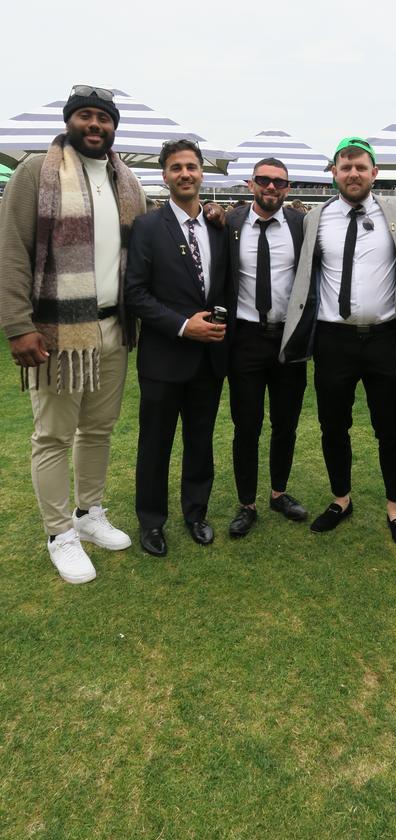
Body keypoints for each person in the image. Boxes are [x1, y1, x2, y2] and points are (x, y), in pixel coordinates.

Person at [0, 86, 146, 584]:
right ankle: (59, 532)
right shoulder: (35, 172)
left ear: (113, 128)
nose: (95, 125)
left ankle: (89, 514)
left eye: (104, 119)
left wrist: (205, 216)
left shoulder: (126, 180)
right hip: (58, 329)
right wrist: (18, 325)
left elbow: (149, 241)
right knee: (54, 435)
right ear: (69, 122)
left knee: (99, 429)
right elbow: (13, 251)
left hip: (114, 327)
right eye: (86, 116)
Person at [280, 137, 396, 546]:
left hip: (384, 338)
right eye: (345, 166)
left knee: (390, 426)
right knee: (333, 425)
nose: (353, 173)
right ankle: (341, 499)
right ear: (334, 173)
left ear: (374, 173)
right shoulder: (315, 217)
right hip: (333, 340)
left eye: (361, 166)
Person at [125, 140, 229, 557]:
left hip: (209, 360)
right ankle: (151, 521)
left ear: (202, 172)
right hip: (164, 358)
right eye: (175, 168)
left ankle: (196, 513)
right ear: (164, 176)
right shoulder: (147, 227)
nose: (184, 174)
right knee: (155, 444)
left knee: (200, 443)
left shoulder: (219, 226)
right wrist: (185, 326)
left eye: (191, 166)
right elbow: (135, 293)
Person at [226, 158, 308, 537]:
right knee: (246, 425)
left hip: (288, 338)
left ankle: (278, 492)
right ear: (250, 184)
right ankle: (247, 503)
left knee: (286, 423)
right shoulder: (229, 223)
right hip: (245, 338)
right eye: (264, 180)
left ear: (288, 188)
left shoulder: (300, 224)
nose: (271, 187)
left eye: (279, 182)